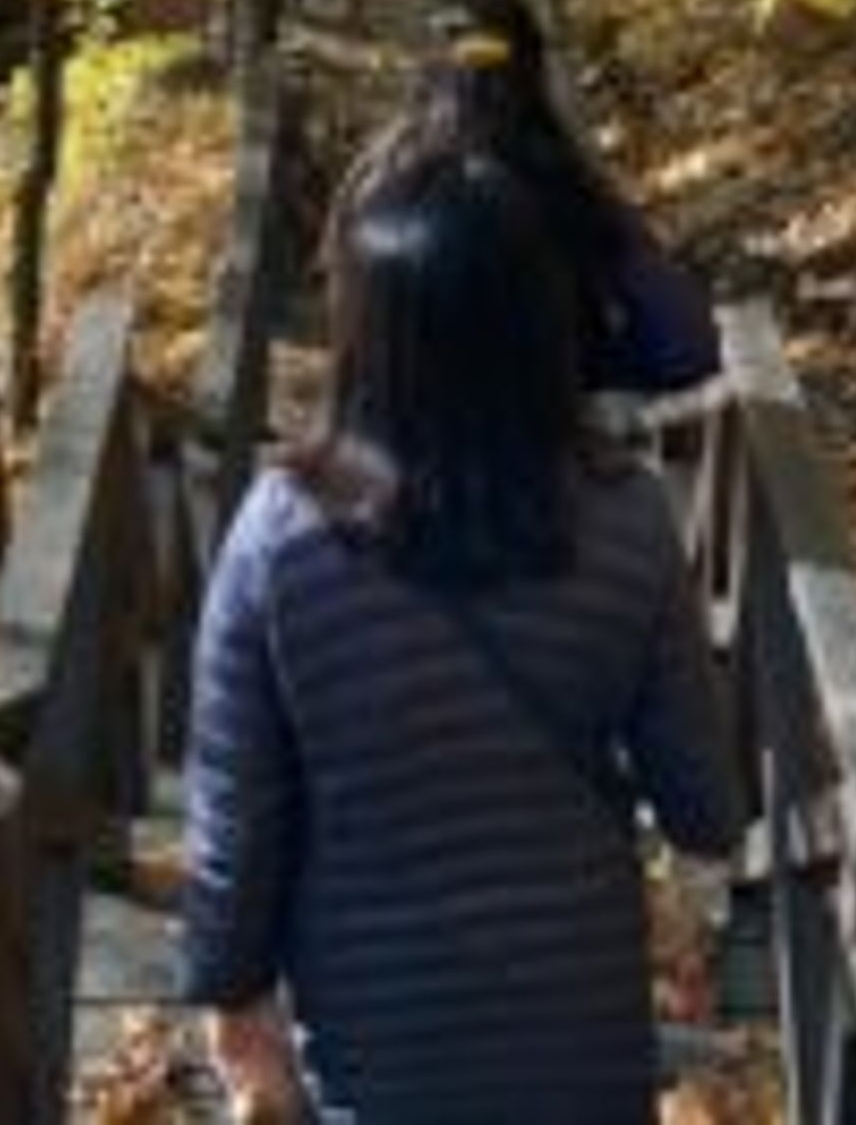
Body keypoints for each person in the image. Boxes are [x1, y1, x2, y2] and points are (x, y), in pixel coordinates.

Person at [183, 145, 742, 1122]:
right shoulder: (628, 514)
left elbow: (237, 809)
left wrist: (233, 997)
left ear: (363, 331)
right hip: (581, 1004)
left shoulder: (280, 535)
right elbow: (701, 795)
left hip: (376, 1018)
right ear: (542, 323)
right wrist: (693, 888)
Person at [353, 0, 720, 400]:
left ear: (423, 76)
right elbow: (687, 348)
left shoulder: (373, 187)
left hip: (400, 435)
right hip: (546, 437)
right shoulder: (568, 187)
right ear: (535, 76)